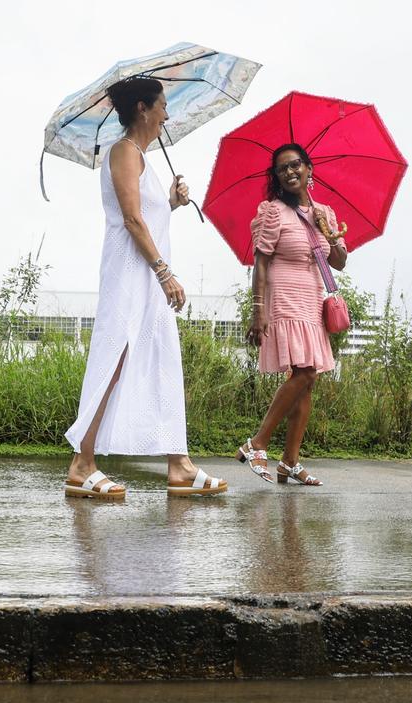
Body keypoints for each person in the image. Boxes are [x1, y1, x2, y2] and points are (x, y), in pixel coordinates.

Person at [64, 77, 225, 499]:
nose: (168, 115)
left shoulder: (143, 160)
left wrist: (171, 202)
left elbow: (147, 214)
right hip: (131, 277)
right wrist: (164, 271)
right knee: (114, 359)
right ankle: (82, 464)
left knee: (163, 360)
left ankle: (180, 464)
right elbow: (131, 220)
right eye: (163, 106)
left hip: (148, 281)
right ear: (143, 109)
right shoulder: (123, 152)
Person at [236, 143, 348, 486]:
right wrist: (258, 311)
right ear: (278, 177)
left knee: (307, 382)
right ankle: (257, 443)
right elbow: (261, 263)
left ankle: (290, 462)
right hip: (283, 299)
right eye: (282, 168)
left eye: (296, 164)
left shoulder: (324, 212)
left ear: (309, 169)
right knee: (305, 373)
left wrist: (330, 235)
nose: (290, 171)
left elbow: (339, 262)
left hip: (312, 301)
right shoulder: (273, 212)